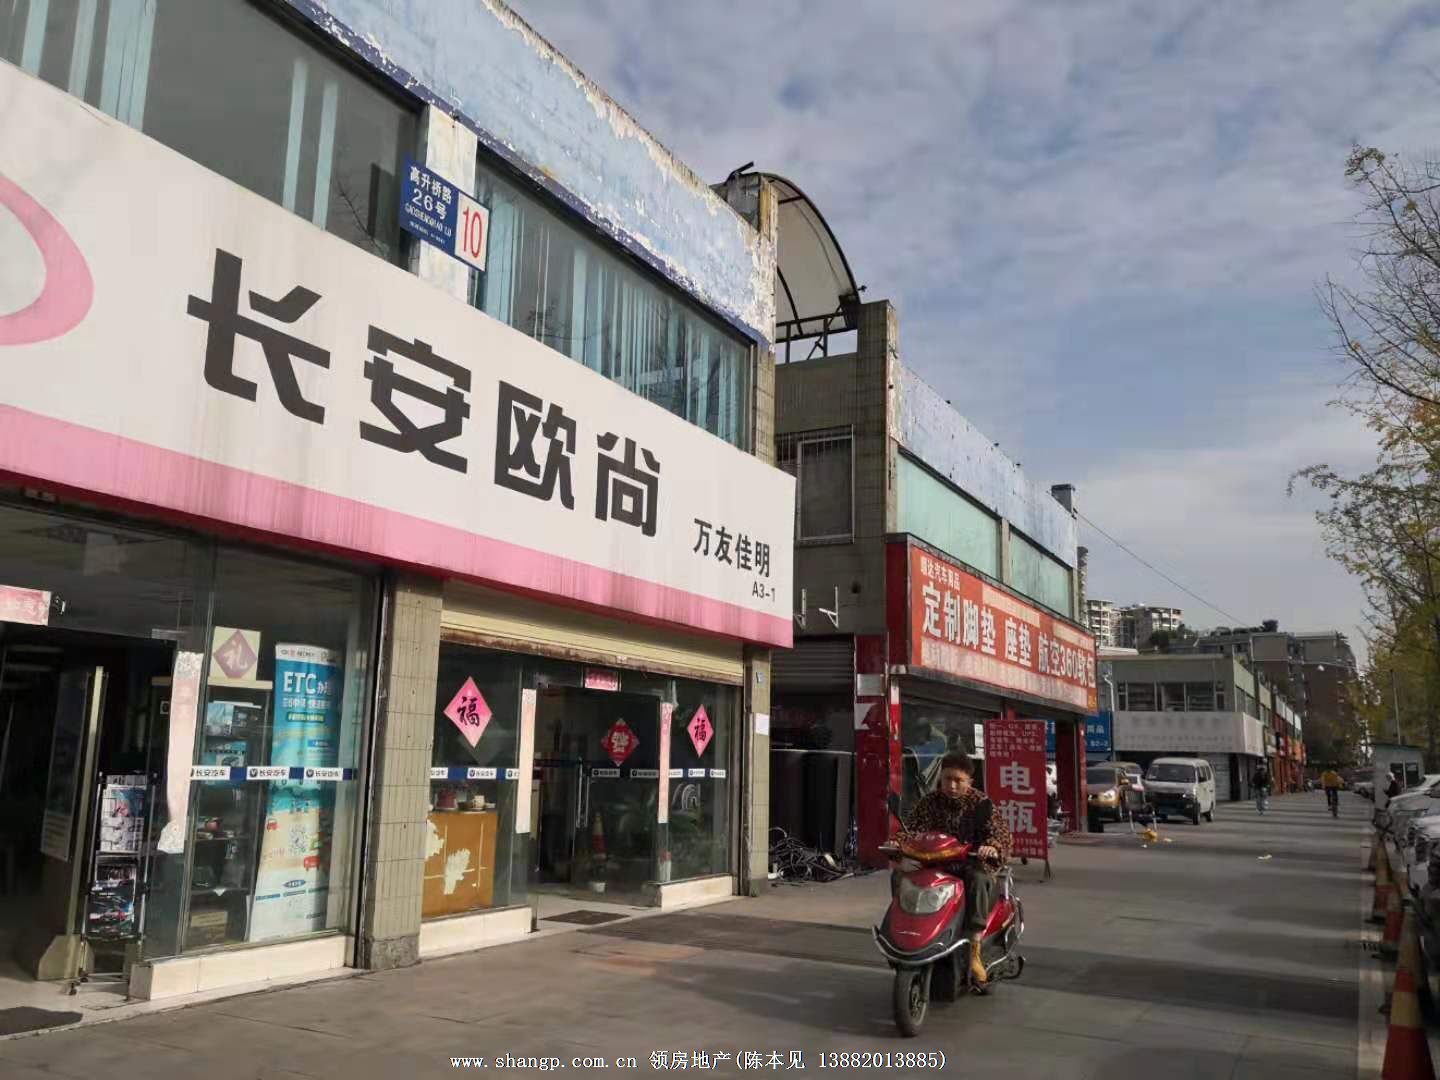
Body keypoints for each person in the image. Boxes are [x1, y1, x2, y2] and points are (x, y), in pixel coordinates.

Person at [895, 751, 1013, 986]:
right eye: (947, 779)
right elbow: (910, 830)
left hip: (970, 864)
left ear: (969, 781)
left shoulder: (981, 804)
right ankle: (906, 933)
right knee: (900, 877)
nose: (951, 785)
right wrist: (897, 843)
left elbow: (1001, 835)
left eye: (958, 780)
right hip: (935, 864)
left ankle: (974, 950)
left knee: (978, 879)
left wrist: (991, 846)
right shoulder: (929, 802)